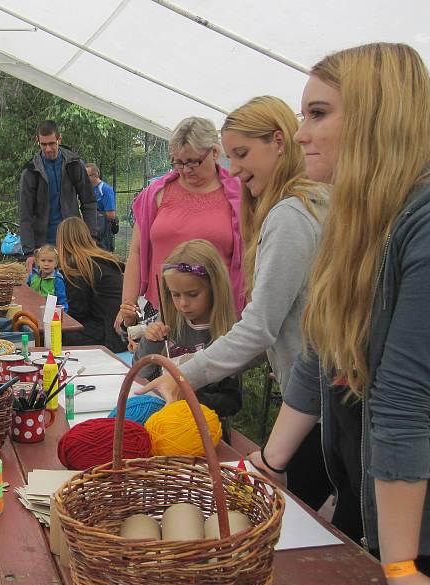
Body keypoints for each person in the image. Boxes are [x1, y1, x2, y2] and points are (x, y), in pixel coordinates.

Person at [245, 43, 430, 585]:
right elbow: (319, 351)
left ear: (377, 116)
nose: (300, 134)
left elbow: (404, 398)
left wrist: (397, 567)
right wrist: (270, 461)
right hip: (371, 503)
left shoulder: (421, 223)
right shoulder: (360, 218)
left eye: (318, 114)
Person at [137, 96, 330, 508]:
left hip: (317, 403)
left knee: (310, 518)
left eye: (241, 154)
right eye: (230, 156)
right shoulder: (304, 205)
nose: (235, 169)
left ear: (279, 142)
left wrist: (182, 374)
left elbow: (260, 327)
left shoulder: (290, 215)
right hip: (317, 399)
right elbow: (272, 330)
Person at [117, 117, 245, 335]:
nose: (185, 170)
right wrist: (128, 305)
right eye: (178, 162)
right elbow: (137, 252)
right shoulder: (156, 194)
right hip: (160, 315)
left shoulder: (239, 196)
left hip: (216, 318)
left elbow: (249, 258)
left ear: (215, 153)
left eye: (193, 162)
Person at [133, 240, 241, 418]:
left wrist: (185, 393)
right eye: (175, 295)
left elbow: (232, 402)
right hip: (163, 421)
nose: (183, 303)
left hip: (203, 432)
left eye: (192, 294)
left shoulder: (228, 336)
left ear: (215, 289)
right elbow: (140, 376)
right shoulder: (169, 327)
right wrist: (151, 343)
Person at [19, 120, 97, 257]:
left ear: (59, 139)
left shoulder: (74, 164)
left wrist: (91, 237)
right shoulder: (30, 172)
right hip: (43, 246)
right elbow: (25, 214)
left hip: (73, 241)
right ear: (38, 141)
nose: (48, 149)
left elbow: (89, 202)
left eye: (51, 143)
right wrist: (29, 253)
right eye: (43, 144)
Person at [56, 217, 124, 353]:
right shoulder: (102, 258)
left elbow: (78, 311)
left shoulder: (77, 265)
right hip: (121, 332)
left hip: (107, 336)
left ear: (62, 240)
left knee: (55, 336)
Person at [26, 244, 68, 312]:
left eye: (50, 261)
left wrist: (63, 315)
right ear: (38, 262)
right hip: (32, 309)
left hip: (49, 313)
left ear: (56, 263)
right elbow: (26, 290)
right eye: (43, 260)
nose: (46, 264)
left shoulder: (57, 280)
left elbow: (62, 302)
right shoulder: (33, 276)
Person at [86, 164, 117, 252]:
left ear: (95, 176)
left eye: (86, 176)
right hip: (92, 230)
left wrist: (95, 214)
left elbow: (111, 215)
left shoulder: (105, 189)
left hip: (103, 232)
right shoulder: (88, 189)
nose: (84, 178)